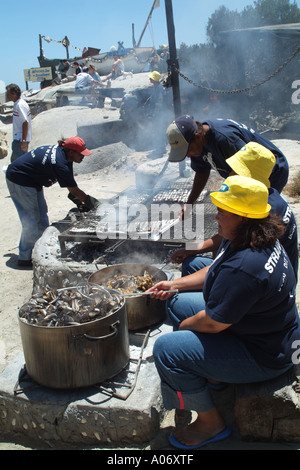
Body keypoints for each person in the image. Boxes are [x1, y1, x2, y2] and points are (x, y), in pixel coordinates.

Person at [149, 175, 300, 449]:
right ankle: (216, 374)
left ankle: (211, 423)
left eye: (222, 211)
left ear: (242, 216)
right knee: (174, 303)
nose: (216, 216)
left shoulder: (246, 267)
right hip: (264, 328)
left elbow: (213, 323)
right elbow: (216, 267)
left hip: (267, 353)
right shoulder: (251, 235)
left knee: (168, 349)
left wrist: (184, 329)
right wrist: (175, 284)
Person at [169, 142, 299, 280]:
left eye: (237, 171)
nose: (230, 175)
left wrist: (175, 285)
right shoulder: (266, 195)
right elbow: (227, 237)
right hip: (251, 270)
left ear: (251, 177)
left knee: (179, 298)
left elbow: (240, 266)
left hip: (263, 280)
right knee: (191, 263)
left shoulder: (266, 210)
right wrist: (190, 249)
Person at [6, 137, 99, 267]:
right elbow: (73, 190)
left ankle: (42, 249)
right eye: (81, 154)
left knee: (42, 215)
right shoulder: (60, 162)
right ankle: (25, 257)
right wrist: (92, 203)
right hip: (19, 179)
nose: (83, 157)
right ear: (71, 152)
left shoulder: (65, 155)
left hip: (32, 181)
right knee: (31, 219)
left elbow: (70, 184)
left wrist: (81, 201)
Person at [166, 115, 289, 208]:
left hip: (271, 171)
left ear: (198, 137)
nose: (187, 155)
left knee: (261, 213)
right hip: (245, 175)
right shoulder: (198, 143)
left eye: (187, 150)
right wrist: (189, 204)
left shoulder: (226, 140)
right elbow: (202, 171)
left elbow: (246, 175)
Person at [6, 84, 32, 162]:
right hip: (19, 139)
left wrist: (23, 141)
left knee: (16, 164)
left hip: (20, 140)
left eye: (8, 94)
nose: (7, 96)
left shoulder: (20, 105)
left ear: (14, 94)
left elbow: (25, 122)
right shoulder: (18, 103)